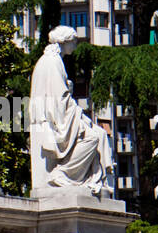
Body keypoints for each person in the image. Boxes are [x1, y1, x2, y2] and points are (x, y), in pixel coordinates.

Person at [29, 27, 114, 195]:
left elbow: (60, 95)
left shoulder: (53, 60)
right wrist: (80, 115)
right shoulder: (52, 61)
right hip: (55, 119)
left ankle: (93, 180)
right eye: (73, 42)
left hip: (60, 115)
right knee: (93, 137)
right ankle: (63, 173)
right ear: (64, 41)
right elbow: (59, 99)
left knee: (100, 134)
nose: (75, 45)